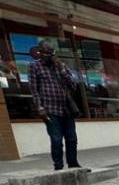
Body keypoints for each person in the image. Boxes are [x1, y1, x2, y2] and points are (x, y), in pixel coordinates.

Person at [29, 42, 82, 171]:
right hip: (50, 109)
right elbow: (34, 89)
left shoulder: (61, 66)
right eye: (45, 52)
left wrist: (62, 69)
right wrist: (40, 107)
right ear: (40, 52)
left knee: (72, 138)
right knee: (56, 139)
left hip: (66, 108)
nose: (48, 55)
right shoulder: (34, 66)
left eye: (51, 53)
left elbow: (73, 86)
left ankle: (73, 164)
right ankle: (58, 166)